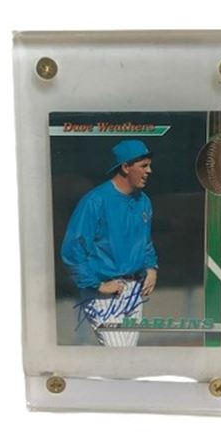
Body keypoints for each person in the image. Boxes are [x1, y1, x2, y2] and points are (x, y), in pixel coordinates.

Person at [61, 139, 158, 346]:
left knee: (126, 356)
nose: (149, 171)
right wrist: (97, 284)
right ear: (125, 167)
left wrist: (151, 266)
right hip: (104, 291)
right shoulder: (95, 201)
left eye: (149, 165)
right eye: (143, 166)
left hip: (134, 288)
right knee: (118, 353)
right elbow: (72, 250)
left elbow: (145, 241)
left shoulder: (144, 201)